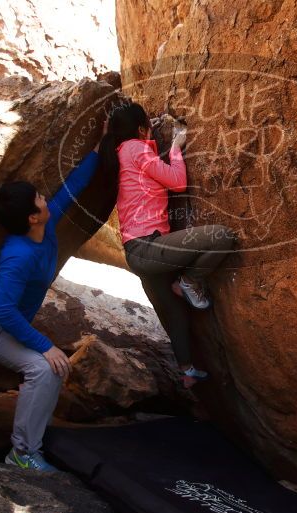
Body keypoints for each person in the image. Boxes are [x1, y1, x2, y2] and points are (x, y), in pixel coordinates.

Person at [0, 127, 104, 472]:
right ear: (32, 217)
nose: (45, 199)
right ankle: (22, 452)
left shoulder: (43, 228)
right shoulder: (17, 256)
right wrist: (44, 344)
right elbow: (3, 309)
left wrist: (97, 146)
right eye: (39, 199)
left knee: (55, 367)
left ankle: (35, 438)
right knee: (44, 368)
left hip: (11, 325)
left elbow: (69, 191)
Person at [99, 102, 236, 389]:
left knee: (173, 312)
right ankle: (189, 281)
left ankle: (187, 371)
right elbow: (177, 182)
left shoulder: (122, 153)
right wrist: (176, 146)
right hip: (149, 247)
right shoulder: (135, 150)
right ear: (140, 128)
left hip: (140, 250)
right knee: (222, 237)